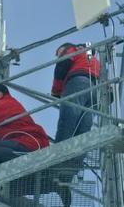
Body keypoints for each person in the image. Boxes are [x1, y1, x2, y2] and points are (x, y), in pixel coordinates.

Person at [51, 42, 100, 207]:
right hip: (94, 88)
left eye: (58, 51)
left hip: (76, 81)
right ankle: (67, 176)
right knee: (82, 134)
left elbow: (61, 66)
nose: (57, 54)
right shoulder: (93, 60)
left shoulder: (72, 51)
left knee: (67, 122)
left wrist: (56, 91)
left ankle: (54, 163)